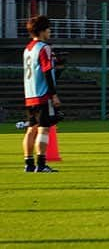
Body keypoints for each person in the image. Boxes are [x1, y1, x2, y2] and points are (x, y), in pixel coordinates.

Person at [22, 15, 61, 173]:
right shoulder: (44, 48)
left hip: (30, 94)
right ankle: (41, 163)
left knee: (31, 129)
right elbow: (46, 72)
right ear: (43, 30)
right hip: (43, 94)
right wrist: (53, 94)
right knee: (44, 129)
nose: (50, 31)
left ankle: (28, 163)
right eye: (48, 29)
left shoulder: (27, 49)